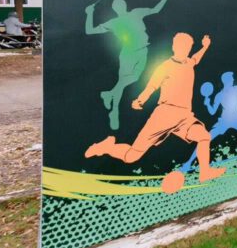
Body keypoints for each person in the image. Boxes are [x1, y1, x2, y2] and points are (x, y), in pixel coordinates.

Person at [85, 33, 225, 184]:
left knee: (203, 136)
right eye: (182, 46)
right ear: (174, 47)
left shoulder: (188, 63)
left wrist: (205, 47)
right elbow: (151, 86)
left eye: (187, 47)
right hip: (164, 115)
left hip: (184, 116)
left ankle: (205, 173)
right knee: (132, 156)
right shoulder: (165, 67)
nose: (185, 50)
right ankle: (106, 148)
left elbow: (196, 59)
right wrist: (140, 100)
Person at [85, 0, 169, 130]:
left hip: (143, 50)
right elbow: (89, 31)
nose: (120, 6)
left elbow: (155, 10)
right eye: (117, 5)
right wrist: (89, 13)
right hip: (129, 53)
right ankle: (114, 112)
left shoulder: (136, 13)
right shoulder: (114, 22)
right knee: (122, 81)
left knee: (134, 78)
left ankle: (109, 94)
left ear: (124, 5)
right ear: (115, 9)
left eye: (121, 4)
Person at [179, 71, 237, 173]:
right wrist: (208, 104)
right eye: (231, 78)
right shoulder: (220, 95)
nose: (233, 79)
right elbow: (212, 112)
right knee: (205, 139)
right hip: (224, 122)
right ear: (227, 81)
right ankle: (188, 163)